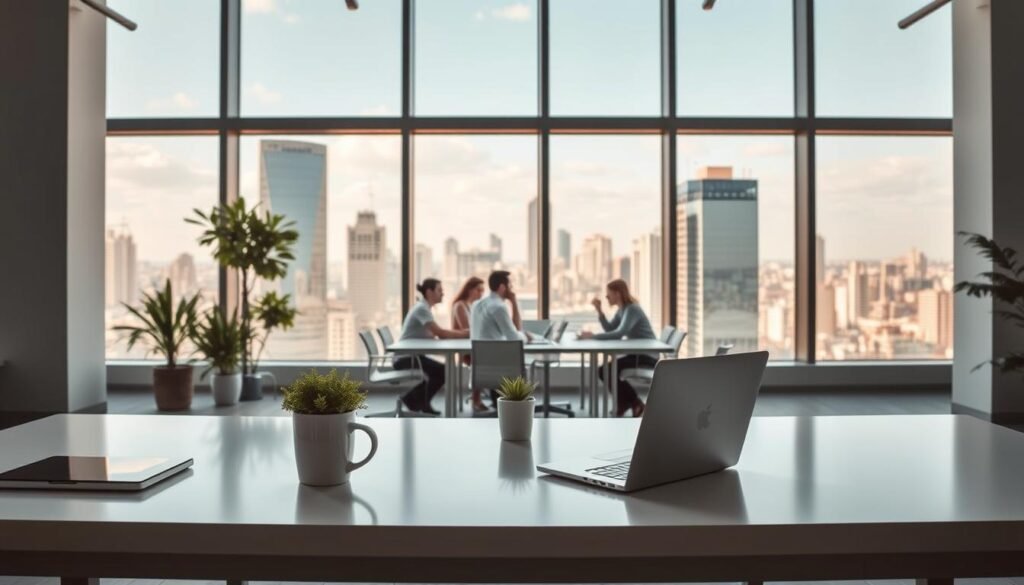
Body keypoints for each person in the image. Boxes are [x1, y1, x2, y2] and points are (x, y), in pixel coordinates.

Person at [578, 279, 656, 418]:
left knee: (605, 370)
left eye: (608, 294)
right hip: (637, 354)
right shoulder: (623, 310)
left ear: (617, 294)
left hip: (646, 356)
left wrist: (592, 336)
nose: (606, 297)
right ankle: (629, 403)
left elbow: (619, 333)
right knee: (605, 370)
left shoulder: (632, 309)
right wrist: (599, 311)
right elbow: (610, 329)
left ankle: (633, 402)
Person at [393, 278, 468, 414]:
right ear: (429, 292)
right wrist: (465, 333)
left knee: (440, 371)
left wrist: (454, 334)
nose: (442, 293)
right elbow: (440, 333)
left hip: (413, 356)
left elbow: (436, 333)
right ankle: (416, 402)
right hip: (405, 358)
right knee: (442, 371)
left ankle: (414, 401)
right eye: (439, 290)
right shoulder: (421, 309)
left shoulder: (424, 308)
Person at [451, 276, 487, 412]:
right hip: (463, 349)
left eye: (482, 291)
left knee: (490, 357)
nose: (481, 294)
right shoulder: (460, 305)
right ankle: (476, 399)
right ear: (470, 290)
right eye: (478, 290)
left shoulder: (472, 306)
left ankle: (478, 396)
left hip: (471, 346)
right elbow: (467, 330)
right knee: (484, 361)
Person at [470, 270, 528, 342]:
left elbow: (514, 331)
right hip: (495, 349)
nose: (512, 288)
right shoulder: (499, 307)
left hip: (478, 349)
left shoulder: (476, 304)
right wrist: (525, 336)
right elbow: (514, 339)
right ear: (502, 287)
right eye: (510, 285)